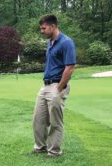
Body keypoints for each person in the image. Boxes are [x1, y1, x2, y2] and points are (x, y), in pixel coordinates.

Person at [33, 14, 76, 157]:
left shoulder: (66, 42)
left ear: (53, 26)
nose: (42, 31)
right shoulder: (49, 42)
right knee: (38, 119)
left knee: (55, 121)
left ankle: (54, 152)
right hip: (45, 85)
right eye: (41, 28)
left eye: (44, 28)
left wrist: (60, 88)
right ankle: (40, 148)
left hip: (57, 85)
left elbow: (70, 67)